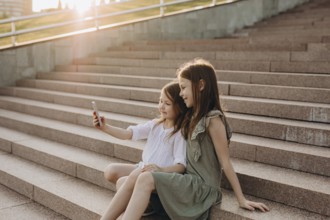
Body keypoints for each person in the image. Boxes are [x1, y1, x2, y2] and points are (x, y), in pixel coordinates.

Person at [108, 58, 270, 220]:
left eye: (183, 87)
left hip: (202, 187)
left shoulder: (213, 120)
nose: (180, 93)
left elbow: (226, 162)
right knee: (129, 179)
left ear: (200, 85)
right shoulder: (192, 116)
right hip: (186, 181)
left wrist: (241, 199)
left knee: (144, 178)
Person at [92, 81, 188, 218]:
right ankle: (142, 203)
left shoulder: (180, 133)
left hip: (161, 176)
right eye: (160, 101)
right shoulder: (155, 125)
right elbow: (128, 133)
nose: (161, 106)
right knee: (112, 172)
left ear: (179, 107)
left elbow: (181, 166)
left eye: (167, 103)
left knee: (128, 179)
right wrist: (105, 127)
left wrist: (160, 169)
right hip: (143, 168)